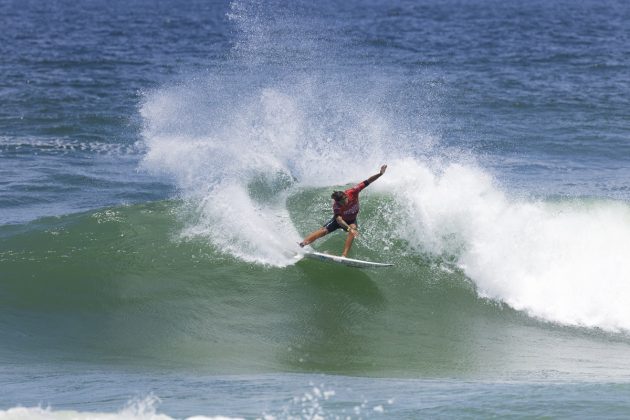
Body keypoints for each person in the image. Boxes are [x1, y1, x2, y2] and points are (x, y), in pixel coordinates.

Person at [299, 165, 387, 257]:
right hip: (339, 221)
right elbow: (339, 220)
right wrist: (349, 229)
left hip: (351, 220)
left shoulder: (353, 191)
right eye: (340, 202)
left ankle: (344, 256)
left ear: (345, 196)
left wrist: (380, 174)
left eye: (343, 201)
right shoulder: (336, 206)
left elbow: (368, 181)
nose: (342, 204)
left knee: (353, 229)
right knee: (323, 231)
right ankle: (303, 244)